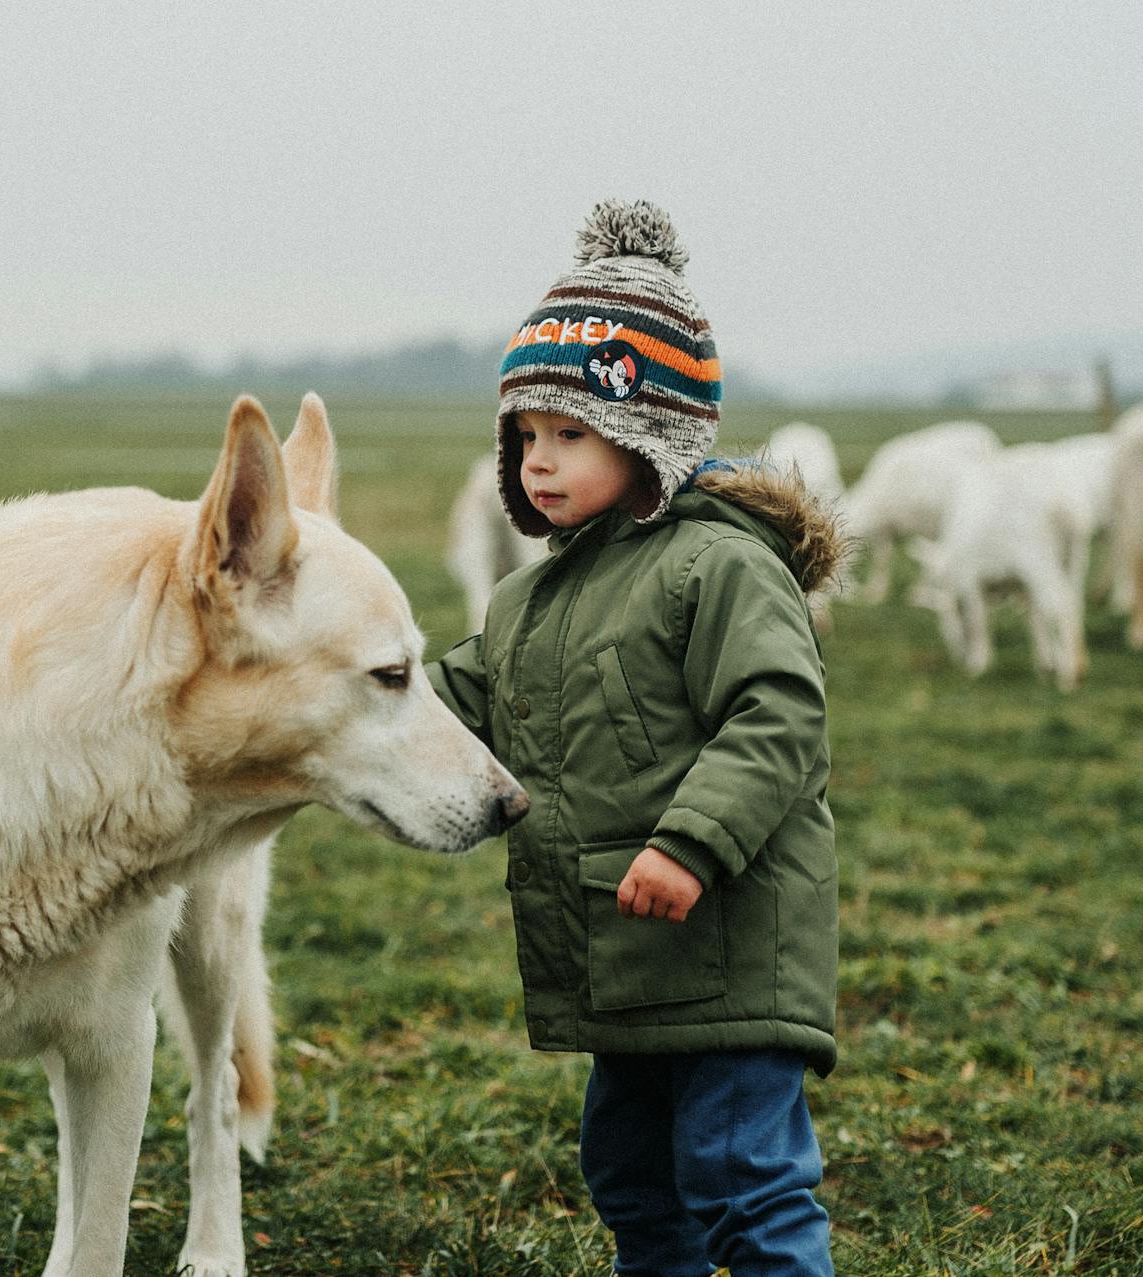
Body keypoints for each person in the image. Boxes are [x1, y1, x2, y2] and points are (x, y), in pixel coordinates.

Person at [427, 199, 843, 1277]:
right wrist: (340, 717)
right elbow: (457, 697)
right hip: (631, 958)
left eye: (571, 433)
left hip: (728, 949)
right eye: (525, 436)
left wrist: (692, 841)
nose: (538, 463)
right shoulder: (537, 599)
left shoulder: (722, 566)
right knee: (629, 1170)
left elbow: (779, 715)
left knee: (742, 1176)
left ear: (650, 432)